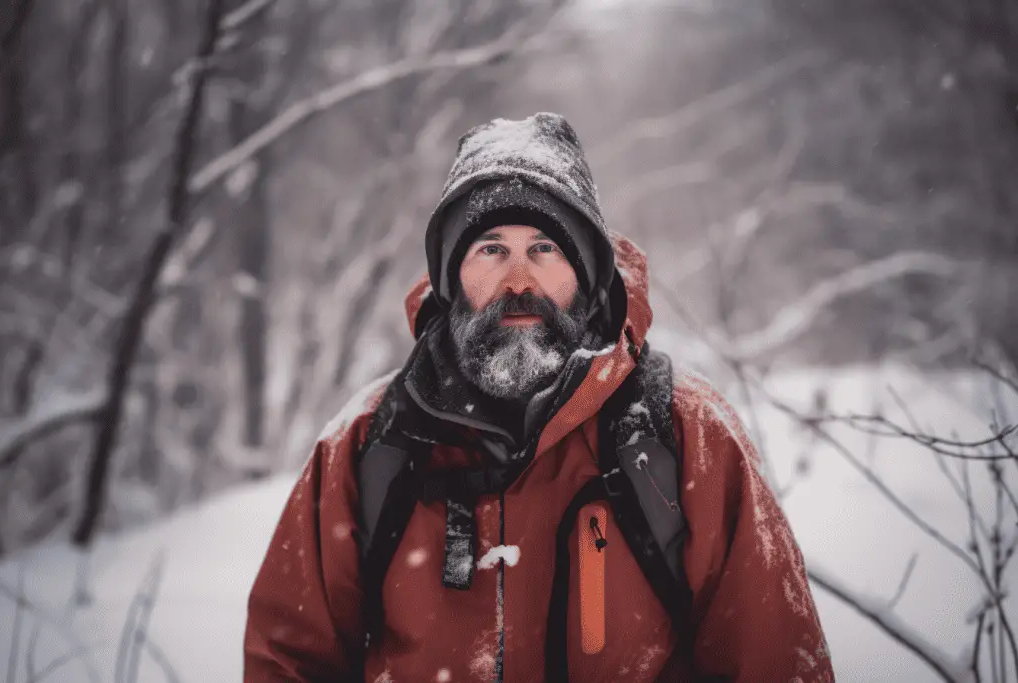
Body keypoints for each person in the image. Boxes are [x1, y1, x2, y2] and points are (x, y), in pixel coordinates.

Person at [244, 112, 834, 683]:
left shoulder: (684, 433)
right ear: (452, 280)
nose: (519, 281)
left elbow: (778, 664)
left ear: (586, 273)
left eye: (546, 249)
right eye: (491, 250)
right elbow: (289, 663)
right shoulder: (370, 444)